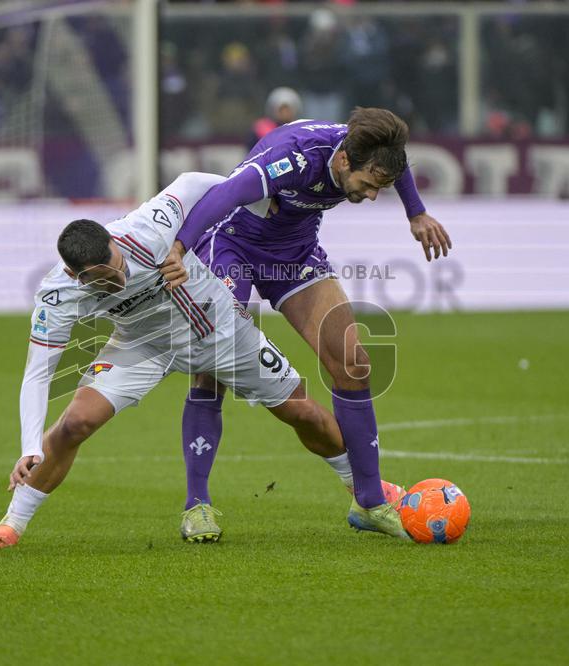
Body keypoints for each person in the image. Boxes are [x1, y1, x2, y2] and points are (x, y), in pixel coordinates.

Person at [0, 172, 409, 549]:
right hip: (142, 343)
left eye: (117, 264)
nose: (119, 276)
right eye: (104, 279)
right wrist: (28, 445)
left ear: (113, 242)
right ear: (75, 275)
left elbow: (196, 183)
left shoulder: (147, 228)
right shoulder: (57, 296)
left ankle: (363, 490)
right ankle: (12, 524)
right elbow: (37, 374)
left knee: (302, 411)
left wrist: (265, 195)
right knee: (74, 424)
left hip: (218, 328)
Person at [164, 108, 452, 537]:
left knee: (353, 362)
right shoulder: (294, 156)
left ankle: (370, 502)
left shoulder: (369, 151)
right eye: (369, 185)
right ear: (342, 162)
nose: (372, 195)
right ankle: (196, 505)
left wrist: (416, 213)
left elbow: (398, 160)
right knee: (213, 370)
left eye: (381, 188)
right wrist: (179, 248)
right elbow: (224, 196)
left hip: (294, 252)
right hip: (232, 248)